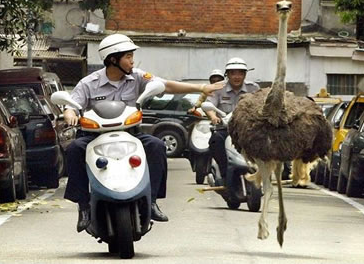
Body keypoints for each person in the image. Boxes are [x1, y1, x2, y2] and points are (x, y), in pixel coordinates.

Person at [63, 34, 223, 232]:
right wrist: (69, 113)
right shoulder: (89, 82)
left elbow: (166, 85)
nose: (132, 61)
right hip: (94, 136)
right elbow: (72, 103)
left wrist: (201, 88)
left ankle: (153, 201)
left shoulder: (137, 77)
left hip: (130, 134)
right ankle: (84, 207)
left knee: (156, 146)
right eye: (128, 56)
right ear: (113, 59)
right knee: (74, 149)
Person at [205, 57, 260, 187]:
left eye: (240, 73)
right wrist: (213, 116)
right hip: (225, 129)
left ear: (245, 74)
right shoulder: (218, 88)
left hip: (247, 130)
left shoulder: (254, 88)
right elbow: (209, 105)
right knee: (215, 140)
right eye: (233, 73)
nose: (237, 76)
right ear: (227, 74)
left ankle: (260, 172)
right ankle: (224, 172)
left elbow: (261, 105)